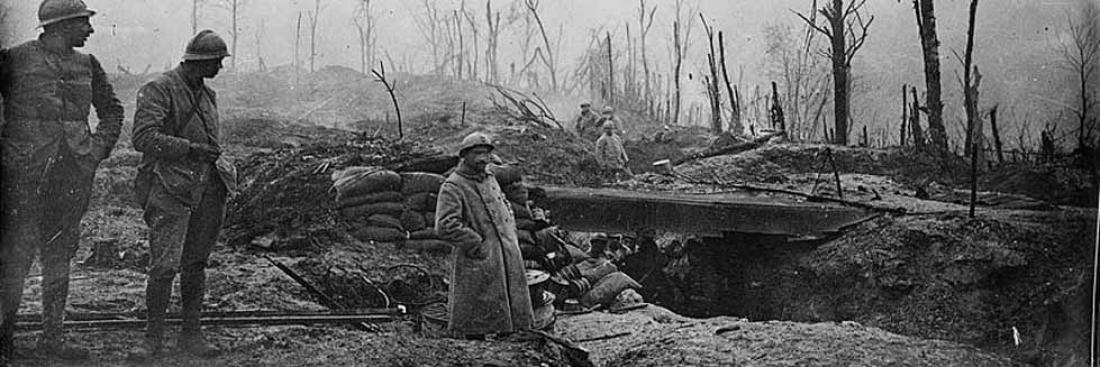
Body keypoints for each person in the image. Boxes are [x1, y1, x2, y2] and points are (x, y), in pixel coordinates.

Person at [0, 0, 124, 361]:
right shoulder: (14, 59)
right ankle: (4, 343)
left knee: (59, 256)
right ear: (61, 25)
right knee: (14, 259)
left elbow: (112, 110)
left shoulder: (88, 64)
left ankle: (52, 338)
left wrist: (96, 149)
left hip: (71, 178)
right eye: (84, 23)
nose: (90, 30)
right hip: (21, 178)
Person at [128, 30, 237, 360]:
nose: (220, 66)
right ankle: (152, 340)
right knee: (163, 267)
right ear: (199, 61)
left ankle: (191, 335)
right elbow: (143, 137)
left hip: (207, 189)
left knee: (196, 264)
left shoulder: (208, 95)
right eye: (216, 61)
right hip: (170, 188)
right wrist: (190, 149)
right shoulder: (159, 88)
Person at [435, 132, 534, 339]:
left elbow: (503, 203)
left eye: (485, 153)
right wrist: (476, 243)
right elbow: (445, 225)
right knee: (477, 309)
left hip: (505, 251)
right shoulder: (454, 185)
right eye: (477, 153)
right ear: (464, 156)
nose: (482, 158)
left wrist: (511, 232)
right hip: (478, 257)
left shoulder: (490, 177)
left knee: (508, 302)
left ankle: (508, 336)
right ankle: (476, 345)